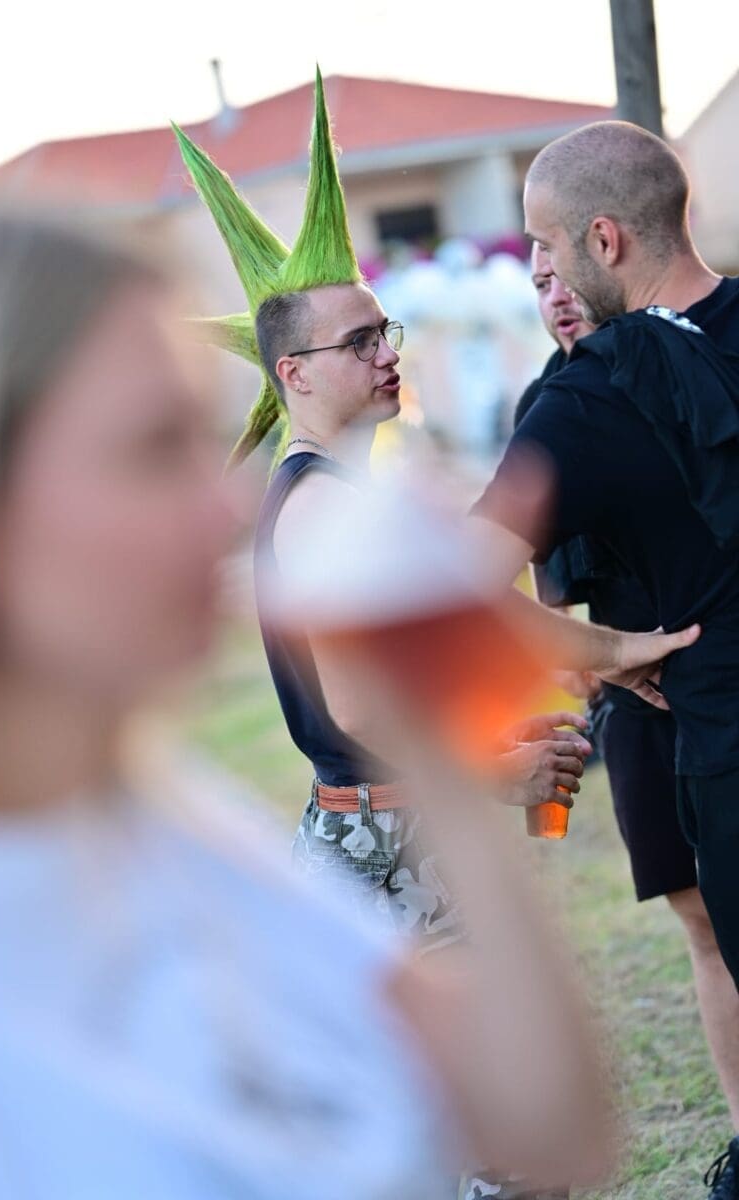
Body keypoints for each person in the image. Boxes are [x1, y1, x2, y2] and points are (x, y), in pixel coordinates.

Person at [0, 203, 612, 1198]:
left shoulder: (174, 832)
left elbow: (548, 1125)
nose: (225, 510)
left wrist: (446, 748)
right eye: (154, 447)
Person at [175, 72, 699, 1200]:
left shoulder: (341, 497)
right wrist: (497, 772)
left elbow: (465, 607)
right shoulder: (318, 504)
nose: (387, 352)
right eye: (358, 340)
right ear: (291, 373)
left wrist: (614, 655)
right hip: (386, 848)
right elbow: (364, 705)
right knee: (503, 1156)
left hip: (391, 837)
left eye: (386, 330)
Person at [474, 119, 739, 1196]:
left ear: (603, 239)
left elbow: (450, 586)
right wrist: (598, 648)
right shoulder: (578, 389)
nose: (540, 272)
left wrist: (614, 649)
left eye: (544, 246)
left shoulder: (589, 399)